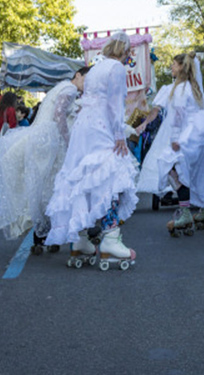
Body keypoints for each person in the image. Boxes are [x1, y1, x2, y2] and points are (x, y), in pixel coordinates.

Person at [45, 31, 139, 268]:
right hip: (101, 126)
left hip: (84, 126)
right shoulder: (116, 68)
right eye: (129, 52)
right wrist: (119, 134)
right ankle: (110, 237)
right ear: (124, 51)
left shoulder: (96, 66)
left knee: (84, 179)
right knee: (110, 177)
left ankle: (81, 241)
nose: (129, 56)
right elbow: (116, 103)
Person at [0, 67, 87, 248]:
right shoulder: (70, 89)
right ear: (78, 75)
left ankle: (41, 234)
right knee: (52, 186)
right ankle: (49, 233)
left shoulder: (63, 86)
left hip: (40, 136)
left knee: (41, 185)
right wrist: (68, 140)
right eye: (86, 79)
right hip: (49, 139)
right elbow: (59, 114)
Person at [135, 52, 204, 236]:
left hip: (186, 137)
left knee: (171, 168)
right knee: (194, 172)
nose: (171, 68)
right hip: (198, 135)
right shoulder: (193, 87)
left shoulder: (181, 90)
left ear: (181, 67)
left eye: (174, 64)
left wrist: (177, 140)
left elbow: (179, 118)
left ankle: (185, 213)